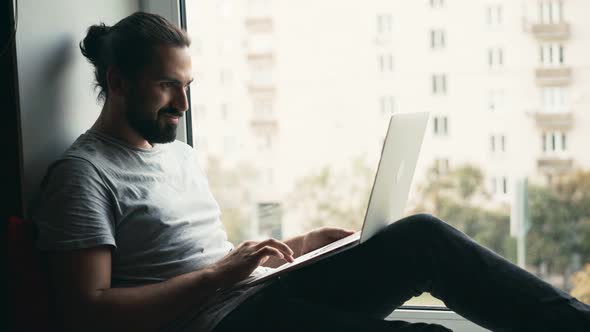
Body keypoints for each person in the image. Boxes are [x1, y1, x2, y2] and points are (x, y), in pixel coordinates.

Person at [32, 12, 590, 332]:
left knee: (422, 236)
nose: (181, 103)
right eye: (166, 86)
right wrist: (217, 278)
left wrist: (299, 246)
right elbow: (88, 311)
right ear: (120, 81)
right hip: (214, 322)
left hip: (248, 295)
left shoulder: (175, 151)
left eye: (187, 87)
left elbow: (202, 256)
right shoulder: (84, 175)